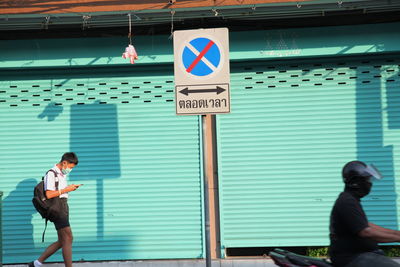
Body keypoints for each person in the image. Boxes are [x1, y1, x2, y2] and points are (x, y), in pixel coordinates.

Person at [329, 160, 400, 267]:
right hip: (352, 258)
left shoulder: (351, 199)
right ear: (356, 181)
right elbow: (366, 232)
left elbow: (366, 225)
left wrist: (396, 233)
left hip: (362, 255)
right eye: (367, 179)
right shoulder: (347, 201)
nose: (370, 183)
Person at [29, 152, 82, 267]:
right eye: (70, 167)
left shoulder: (61, 175)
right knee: (68, 238)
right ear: (64, 163)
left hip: (62, 206)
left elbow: (59, 191)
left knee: (62, 240)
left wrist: (69, 189)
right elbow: (48, 194)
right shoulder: (51, 174)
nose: (70, 170)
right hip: (57, 209)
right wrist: (67, 189)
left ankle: (37, 263)